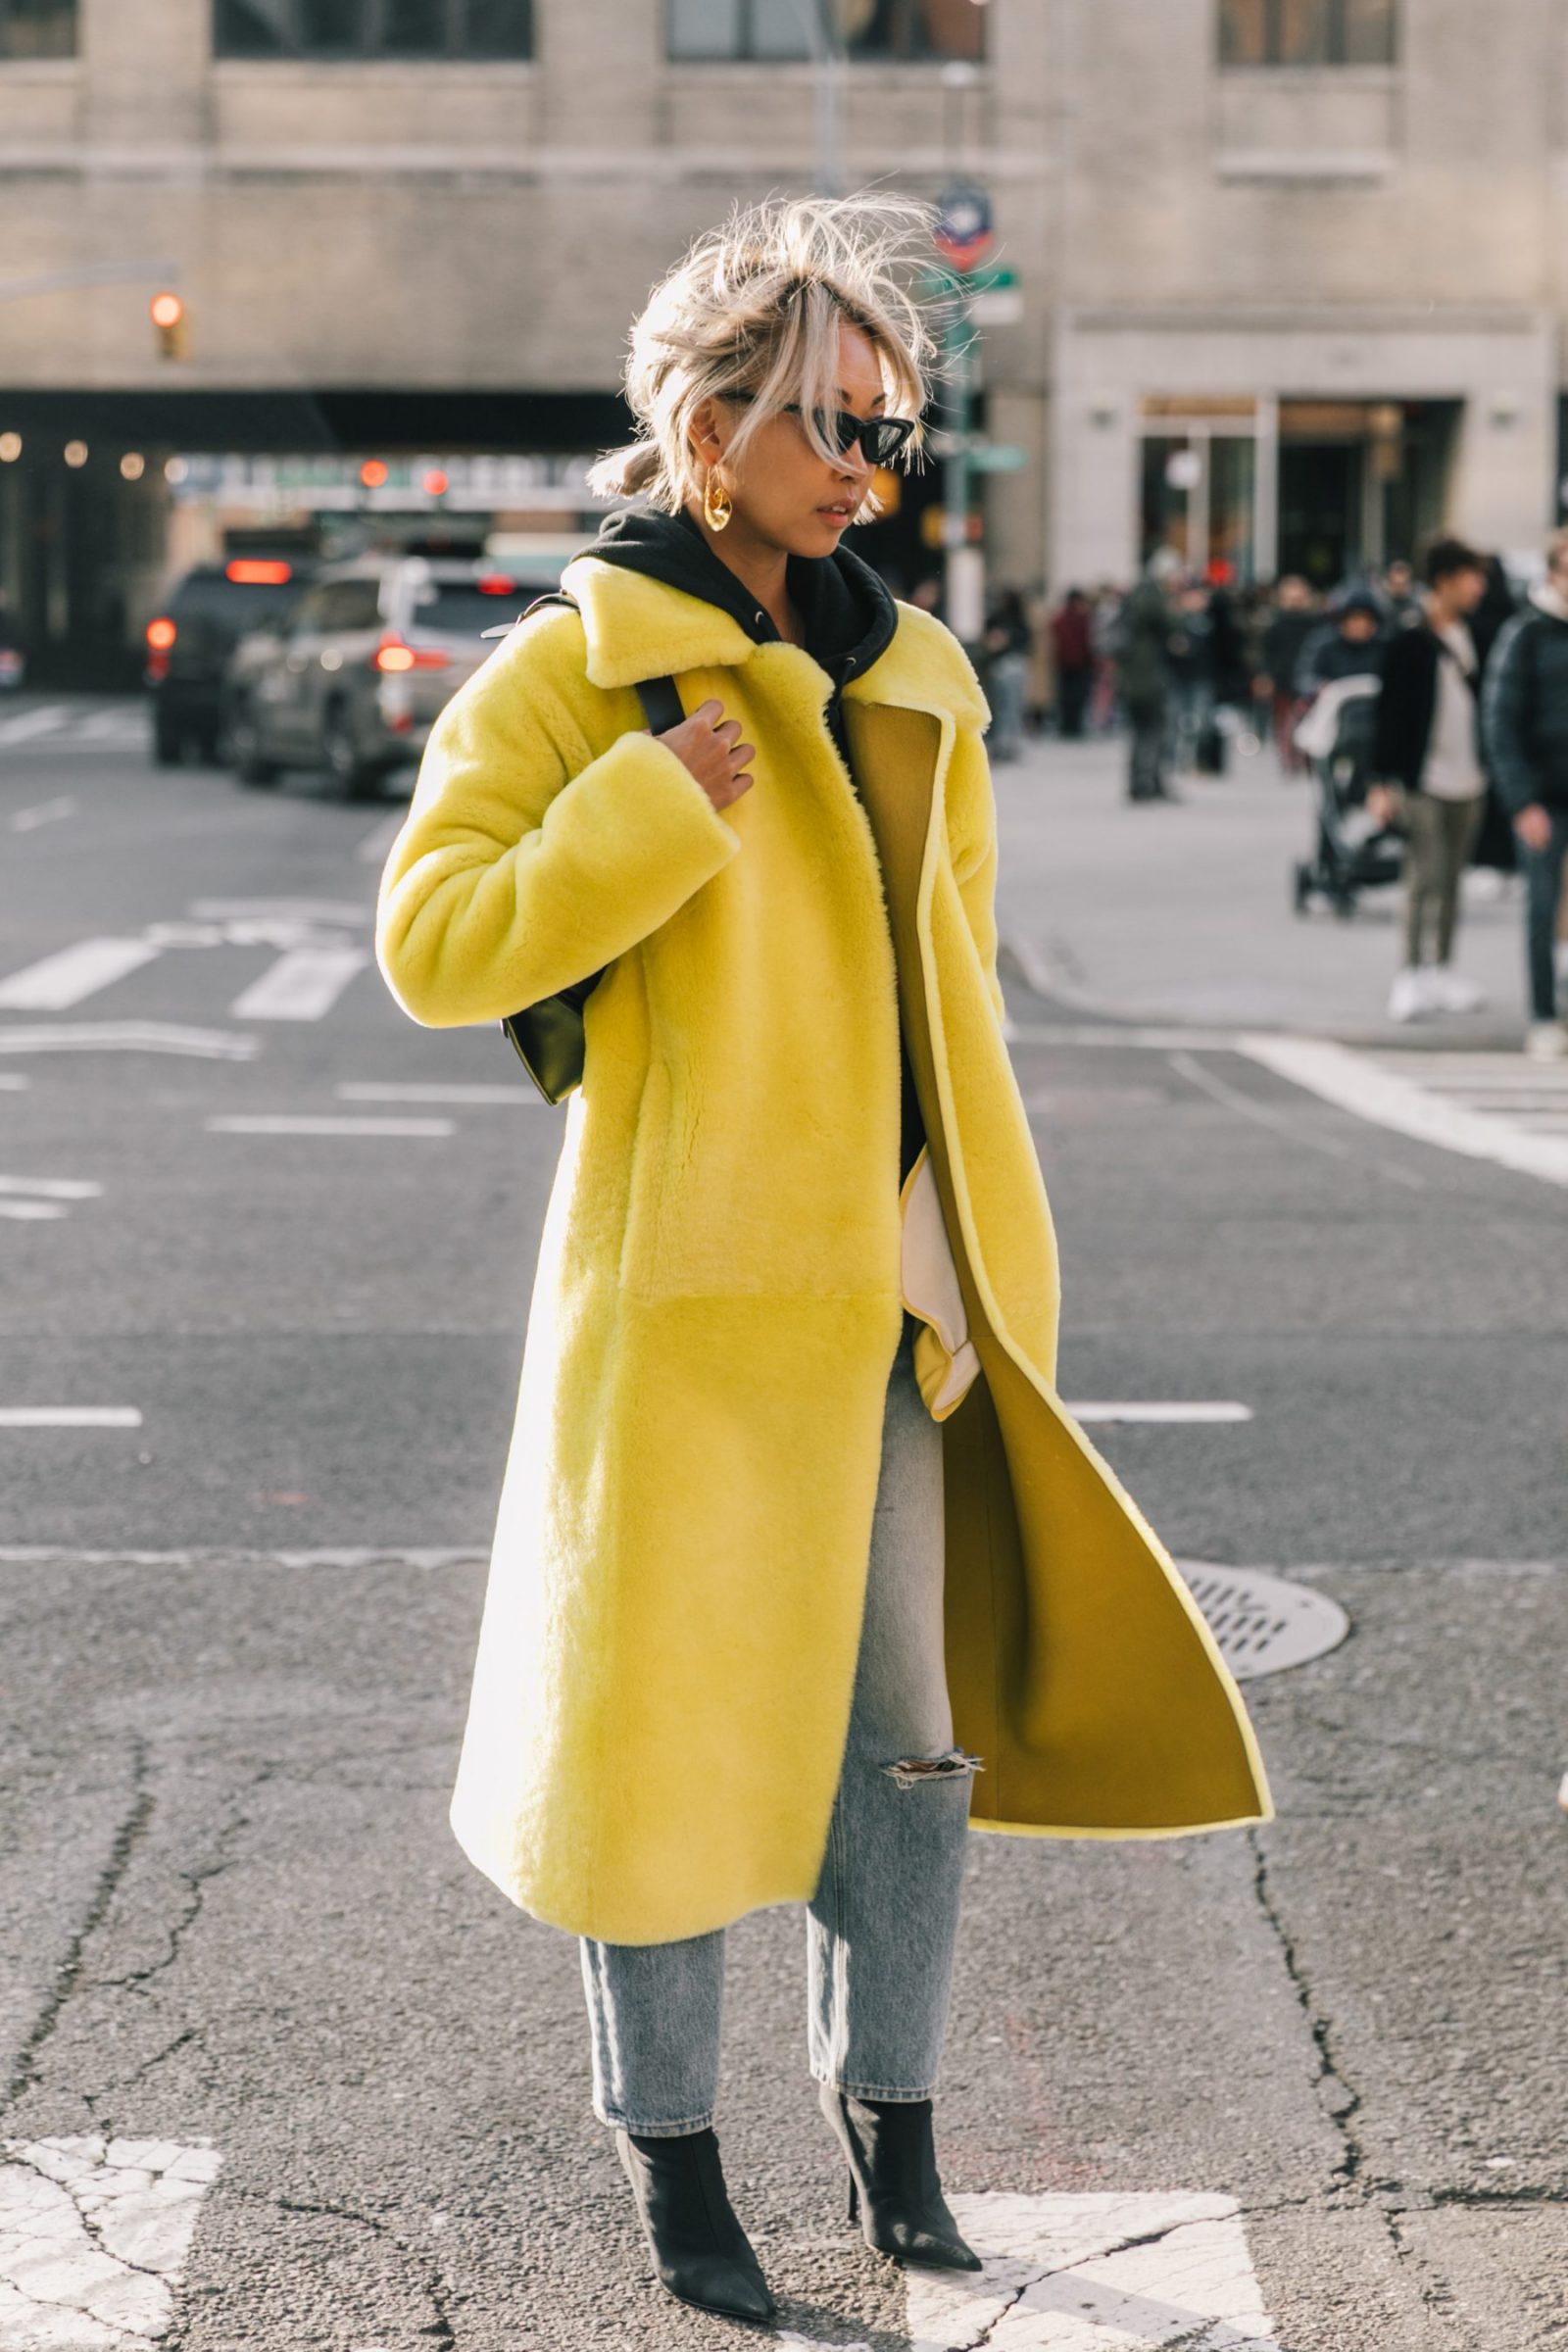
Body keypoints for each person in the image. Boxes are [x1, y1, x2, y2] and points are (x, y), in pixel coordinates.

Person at [375, 191, 1268, 2327]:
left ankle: (895, 2138)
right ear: (706, 432)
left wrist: (979, 1253)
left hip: (903, 1299)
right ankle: (675, 2171)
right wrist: (642, 812)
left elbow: (948, 986)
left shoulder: (915, 670)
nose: (868, 471)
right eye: (830, 427)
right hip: (686, 1310)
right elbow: (432, 946)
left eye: (888, 434)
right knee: (662, 1739)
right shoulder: (572, 674)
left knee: (907, 1741)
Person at [1369, 538, 1492, 1022]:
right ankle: (1409, 973)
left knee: (1454, 880)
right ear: (1446, 580)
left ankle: (1441, 968)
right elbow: (1387, 715)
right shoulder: (1409, 639)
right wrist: (1380, 783)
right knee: (1424, 878)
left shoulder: (1476, 635)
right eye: (1470, 577)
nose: (1478, 587)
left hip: (1470, 779)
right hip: (1422, 781)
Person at [1482, 527, 1568, 1057]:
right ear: (1554, 573)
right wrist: (1521, 800)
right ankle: (1542, 1015)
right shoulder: (1526, 634)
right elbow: (1500, 723)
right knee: (1541, 905)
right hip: (1544, 793)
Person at [1117, 556, 1180, 800]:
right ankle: (1148, 781)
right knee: (1153, 730)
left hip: (1135, 678)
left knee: (1140, 731)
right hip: (1148, 679)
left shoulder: (1135, 599)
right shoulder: (1153, 598)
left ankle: (1140, 780)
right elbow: (1170, 624)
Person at [1256, 575, 1318, 772]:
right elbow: (1267, 653)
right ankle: (1288, 757)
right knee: (1283, 721)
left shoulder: (1314, 624)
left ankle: (1307, 757)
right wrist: (1266, 676)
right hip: (1283, 678)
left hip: (1308, 679)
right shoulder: (1276, 625)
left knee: (1309, 718)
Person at [980, 586, 1030, 760]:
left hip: (1004, 663)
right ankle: (1008, 743)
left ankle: (1005, 743)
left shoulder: (1000, 619)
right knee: (1010, 706)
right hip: (1011, 663)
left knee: (1005, 707)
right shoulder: (1016, 619)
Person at [1050, 586, 1095, 739]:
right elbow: (1087, 641)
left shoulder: (1061, 618)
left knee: (1066, 696)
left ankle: (1067, 726)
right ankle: (1074, 726)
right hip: (1079, 664)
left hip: (1065, 663)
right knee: (1077, 697)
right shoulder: (1082, 618)